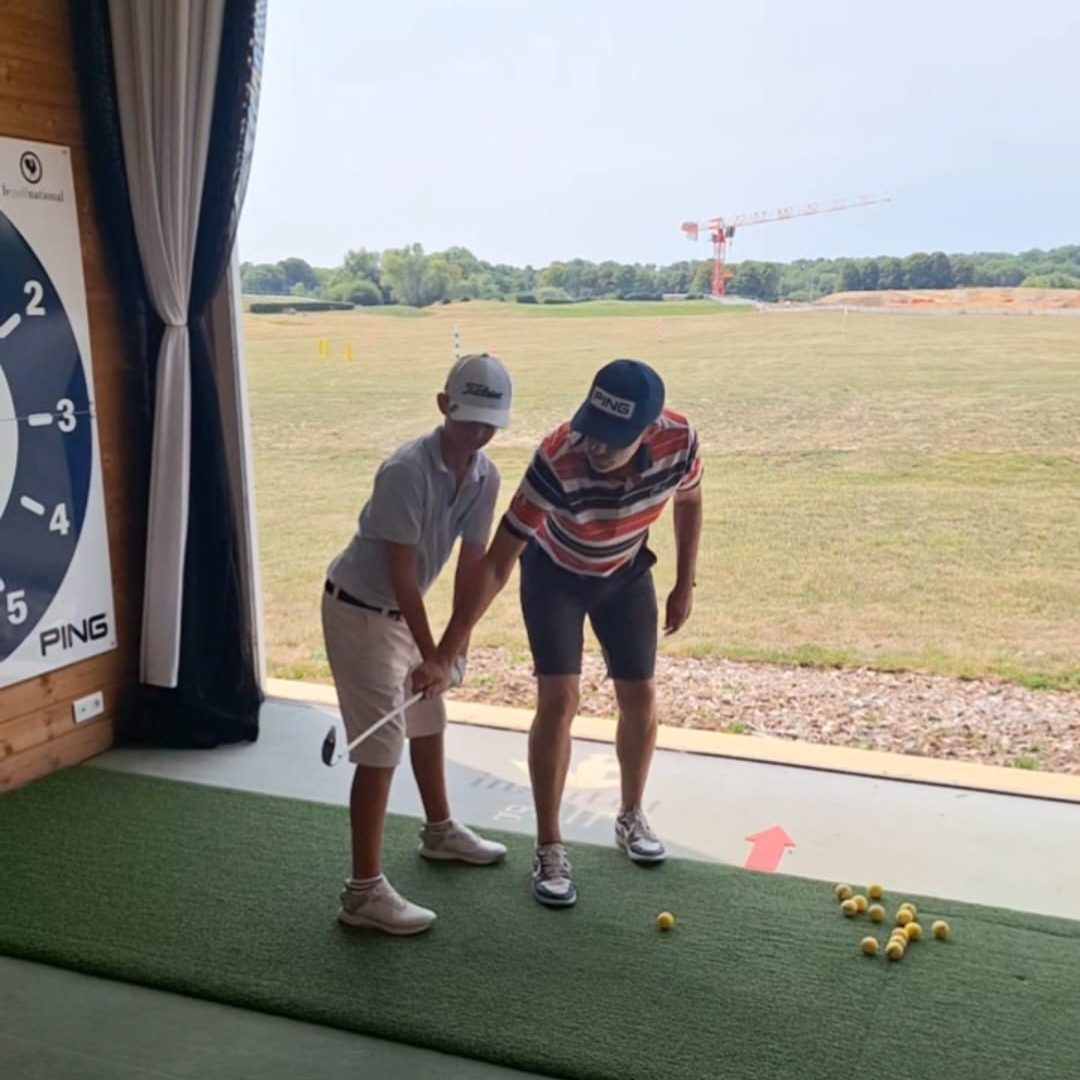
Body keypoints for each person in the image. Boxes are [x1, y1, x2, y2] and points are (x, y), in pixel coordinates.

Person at [414, 358, 704, 908]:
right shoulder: (557, 456)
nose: (596, 445)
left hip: (625, 572)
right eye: (593, 427)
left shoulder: (680, 439)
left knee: (640, 699)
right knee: (559, 700)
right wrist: (448, 649)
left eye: (613, 437)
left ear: (648, 429)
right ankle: (549, 845)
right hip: (554, 577)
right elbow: (498, 562)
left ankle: (630, 816)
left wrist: (684, 582)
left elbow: (688, 499)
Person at [321, 353, 514, 935]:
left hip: (400, 614)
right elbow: (402, 578)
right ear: (443, 406)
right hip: (359, 611)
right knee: (381, 748)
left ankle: (439, 833)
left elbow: (473, 568)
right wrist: (433, 655)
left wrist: (452, 650)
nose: (477, 434)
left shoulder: (485, 476)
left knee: (429, 719)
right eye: (468, 420)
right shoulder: (405, 471)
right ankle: (362, 894)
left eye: (489, 424)